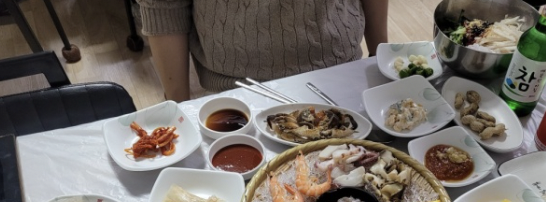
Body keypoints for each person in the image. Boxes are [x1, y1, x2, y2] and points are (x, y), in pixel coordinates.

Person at [137, 0, 389, 102]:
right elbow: (162, 5)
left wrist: (382, 62)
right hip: (236, 89)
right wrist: (178, 106)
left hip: (341, 72)